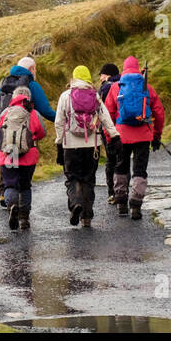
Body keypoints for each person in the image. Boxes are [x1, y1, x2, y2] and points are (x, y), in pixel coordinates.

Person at [54, 65, 120, 227]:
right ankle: (87, 217)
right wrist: (115, 136)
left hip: (70, 146)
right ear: (89, 79)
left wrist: (59, 144)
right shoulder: (95, 96)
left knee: (72, 178)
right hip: (92, 146)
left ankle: (76, 203)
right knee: (89, 180)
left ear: (74, 78)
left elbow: (59, 122)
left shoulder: (65, 96)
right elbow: (105, 117)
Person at [103, 56, 165, 220]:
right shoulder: (147, 87)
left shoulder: (116, 88)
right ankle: (136, 205)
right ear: (138, 69)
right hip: (143, 135)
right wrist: (156, 135)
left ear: (123, 69)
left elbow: (107, 114)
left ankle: (122, 202)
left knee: (121, 167)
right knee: (139, 169)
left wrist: (109, 137)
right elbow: (159, 113)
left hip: (121, 135)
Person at [0, 86, 47, 230]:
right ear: (29, 98)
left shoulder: (5, 113)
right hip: (28, 157)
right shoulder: (33, 113)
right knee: (25, 186)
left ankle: (12, 206)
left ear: (13, 97)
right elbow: (42, 133)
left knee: (10, 184)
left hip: (9, 156)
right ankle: (24, 218)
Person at [0, 56, 56, 127]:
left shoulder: (5, 84)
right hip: (26, 129)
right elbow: (45, 111)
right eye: (35, 69)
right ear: (32, 69)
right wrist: (62, 120)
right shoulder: (32, 85)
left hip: (5, 127)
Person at [96, 63, 122, 202]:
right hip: (124, 127)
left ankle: (112, 192)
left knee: (111, 160)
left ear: (108, 75)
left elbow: (100, 109)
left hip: (108, 128)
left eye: (102, 74)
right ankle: (123, 191)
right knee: (122, 160)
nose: (100, 78)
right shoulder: (124, 84)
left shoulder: (106, 87)